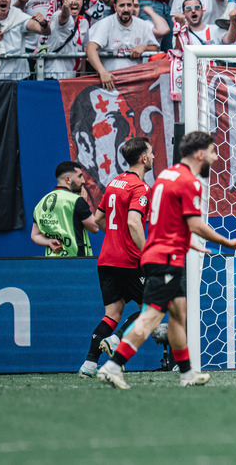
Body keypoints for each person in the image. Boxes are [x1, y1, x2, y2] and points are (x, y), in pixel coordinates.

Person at [97, 132, 236, 390]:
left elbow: (166, 223)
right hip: (166, 260)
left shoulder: (164, 177)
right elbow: (194, 224)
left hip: (163, 253)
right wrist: (227, 243)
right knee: (150, 318)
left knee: (178, 316)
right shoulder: (189, 182)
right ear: (200, 154)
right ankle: (112, 366)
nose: (216, 159)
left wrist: (187, 243)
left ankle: (187, 373)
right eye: (214, 152)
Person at [77, 137, 154, 379]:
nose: (153, 157)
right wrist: (148, 253)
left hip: (106, 259)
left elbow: (98, 219)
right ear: (143, 158)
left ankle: (89, 363)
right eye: (151, 153)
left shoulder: (114, 183)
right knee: (151, 309)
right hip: (129, 259)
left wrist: (114, 235)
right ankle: (117, 339)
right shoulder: (140, 188)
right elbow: (133, 222)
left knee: (113, 313)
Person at [86, 0, 161, 90]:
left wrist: (144, 48)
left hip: (135, 83)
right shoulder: (106, 23)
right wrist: (102, 72)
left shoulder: (142, 25)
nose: (126, 9)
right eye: (122, 5)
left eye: (129, 5)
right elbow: (91, 49)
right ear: (115, 7)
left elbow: (155, 48)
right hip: (110, 83)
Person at [31, 161, 100, 257]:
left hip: (51, 263)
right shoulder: (77, 201)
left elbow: (35, 235)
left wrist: (48, 242)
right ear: (68, 179)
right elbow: (95, 228)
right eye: (80, 176)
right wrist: (85, 203)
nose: (83, 181)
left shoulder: (41, 203)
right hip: (76, 263)